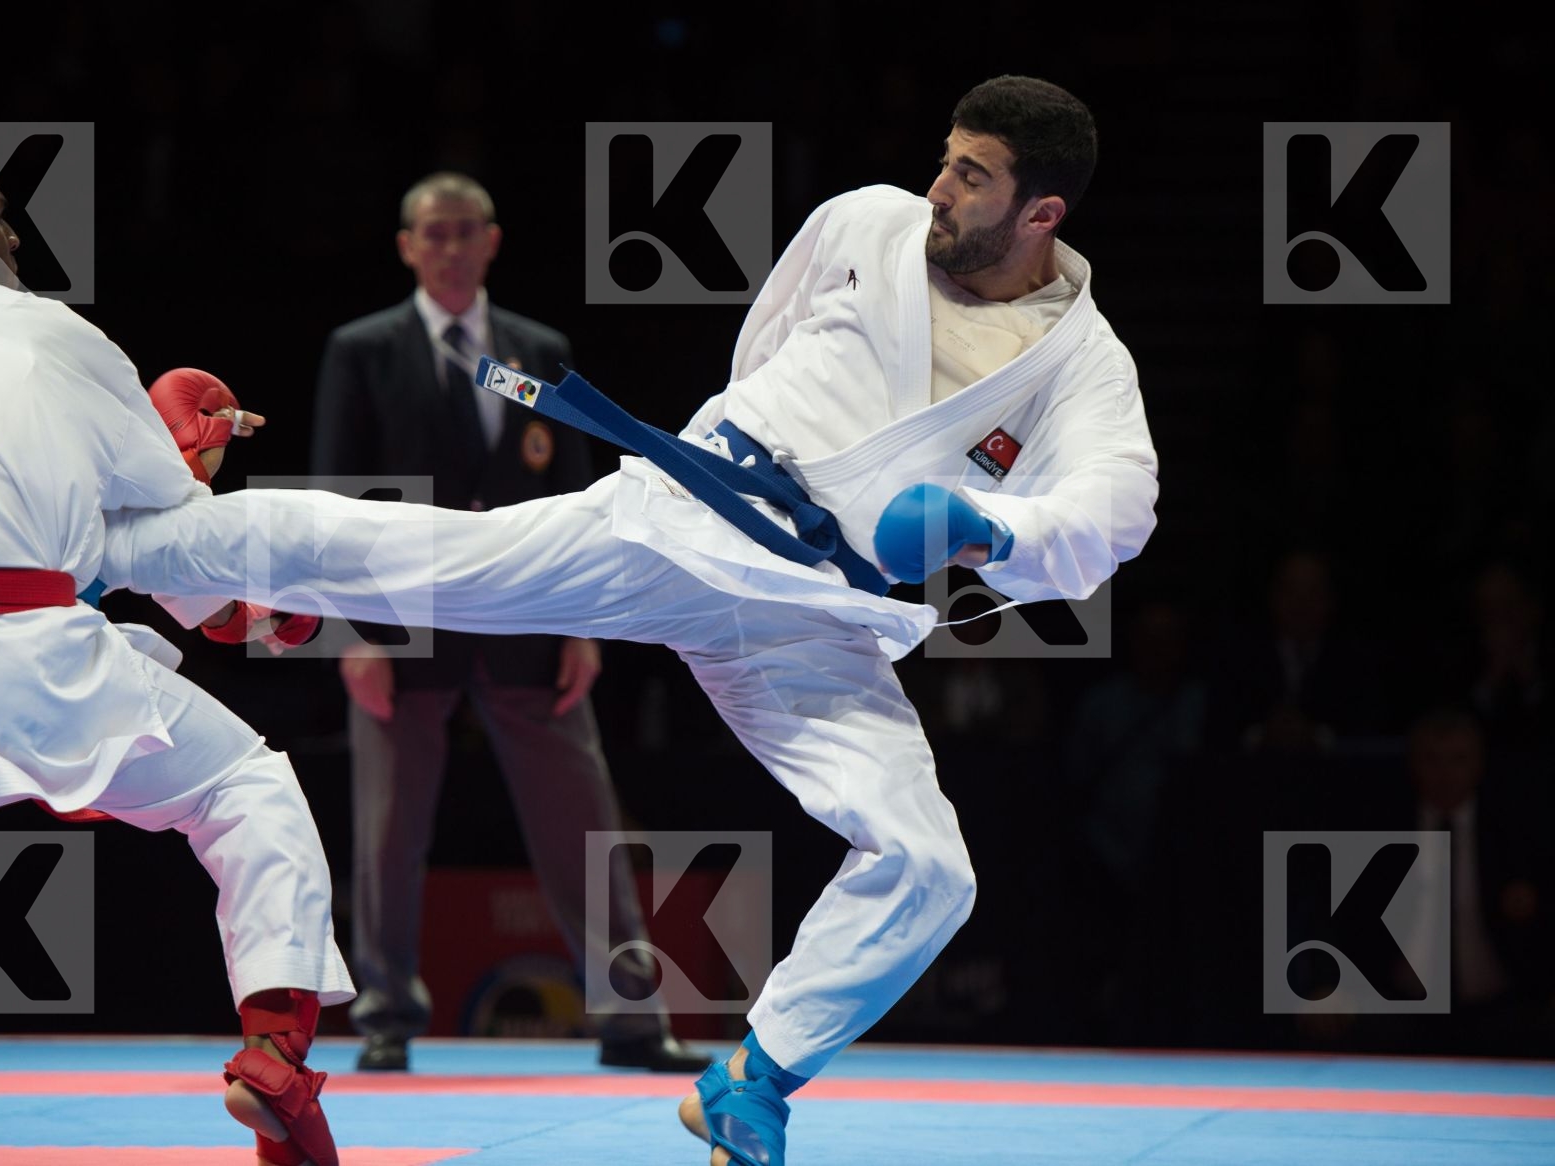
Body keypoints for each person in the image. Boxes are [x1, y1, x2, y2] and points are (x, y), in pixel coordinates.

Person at [101, 75, 1159, 1166]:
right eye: (946, 158)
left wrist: (985, 531)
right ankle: (139, 544)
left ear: (1043, 215)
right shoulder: (863, 221)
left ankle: (756, 1077)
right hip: (685, 519)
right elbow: (769, 339)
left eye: (971, 177)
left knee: (931, 865)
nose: (938, 187)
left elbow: (1117, 510)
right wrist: (748, 454)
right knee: (424, 557)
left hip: (812, 614)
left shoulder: (1079, 364)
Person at [0, 145, 351, 1166]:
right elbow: (164, 532)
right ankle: (274, 1051)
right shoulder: (47, 331)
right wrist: (258, 604)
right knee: (245, 788)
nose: (13, 239)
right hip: (38, 671)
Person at [313, 171, 707, 1073]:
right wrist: (353, 634)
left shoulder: (538, 347)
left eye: (465, 232)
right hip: (401, 621)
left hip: (533, 614)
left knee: (585, 825)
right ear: (408, 246)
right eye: (434, 233)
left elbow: (580, 498)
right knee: (386, 830)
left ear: (492, 241)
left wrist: (584, 624)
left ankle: (634, 1020)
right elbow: (334, 501)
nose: (450, 247)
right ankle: (384, 1014)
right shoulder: (362, 350)